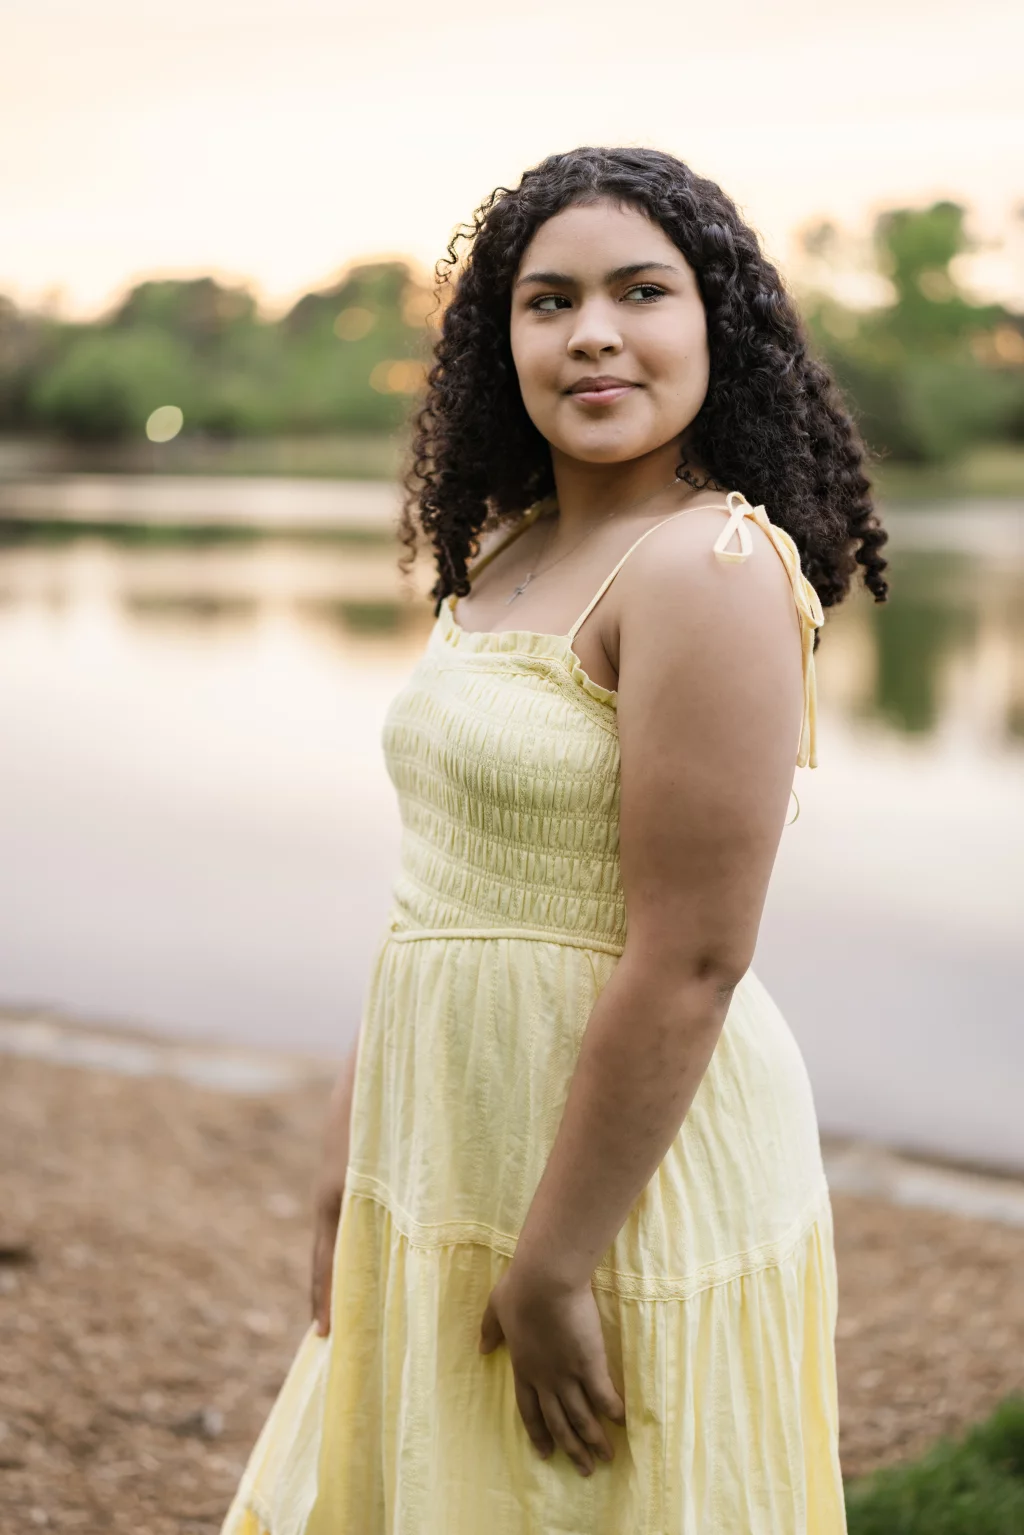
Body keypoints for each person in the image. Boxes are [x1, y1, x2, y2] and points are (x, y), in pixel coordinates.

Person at [220, 145, 888, 1535]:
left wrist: (554, 1265)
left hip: (610, 1188)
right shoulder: (512, 550)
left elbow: (695, 957)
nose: (592, 330)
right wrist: (353, 1152)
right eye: (548, 300)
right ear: (498, 342)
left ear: (718, 326)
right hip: (449, 1139)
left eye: (642, 290)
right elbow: (439, 891)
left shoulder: (710, 569)